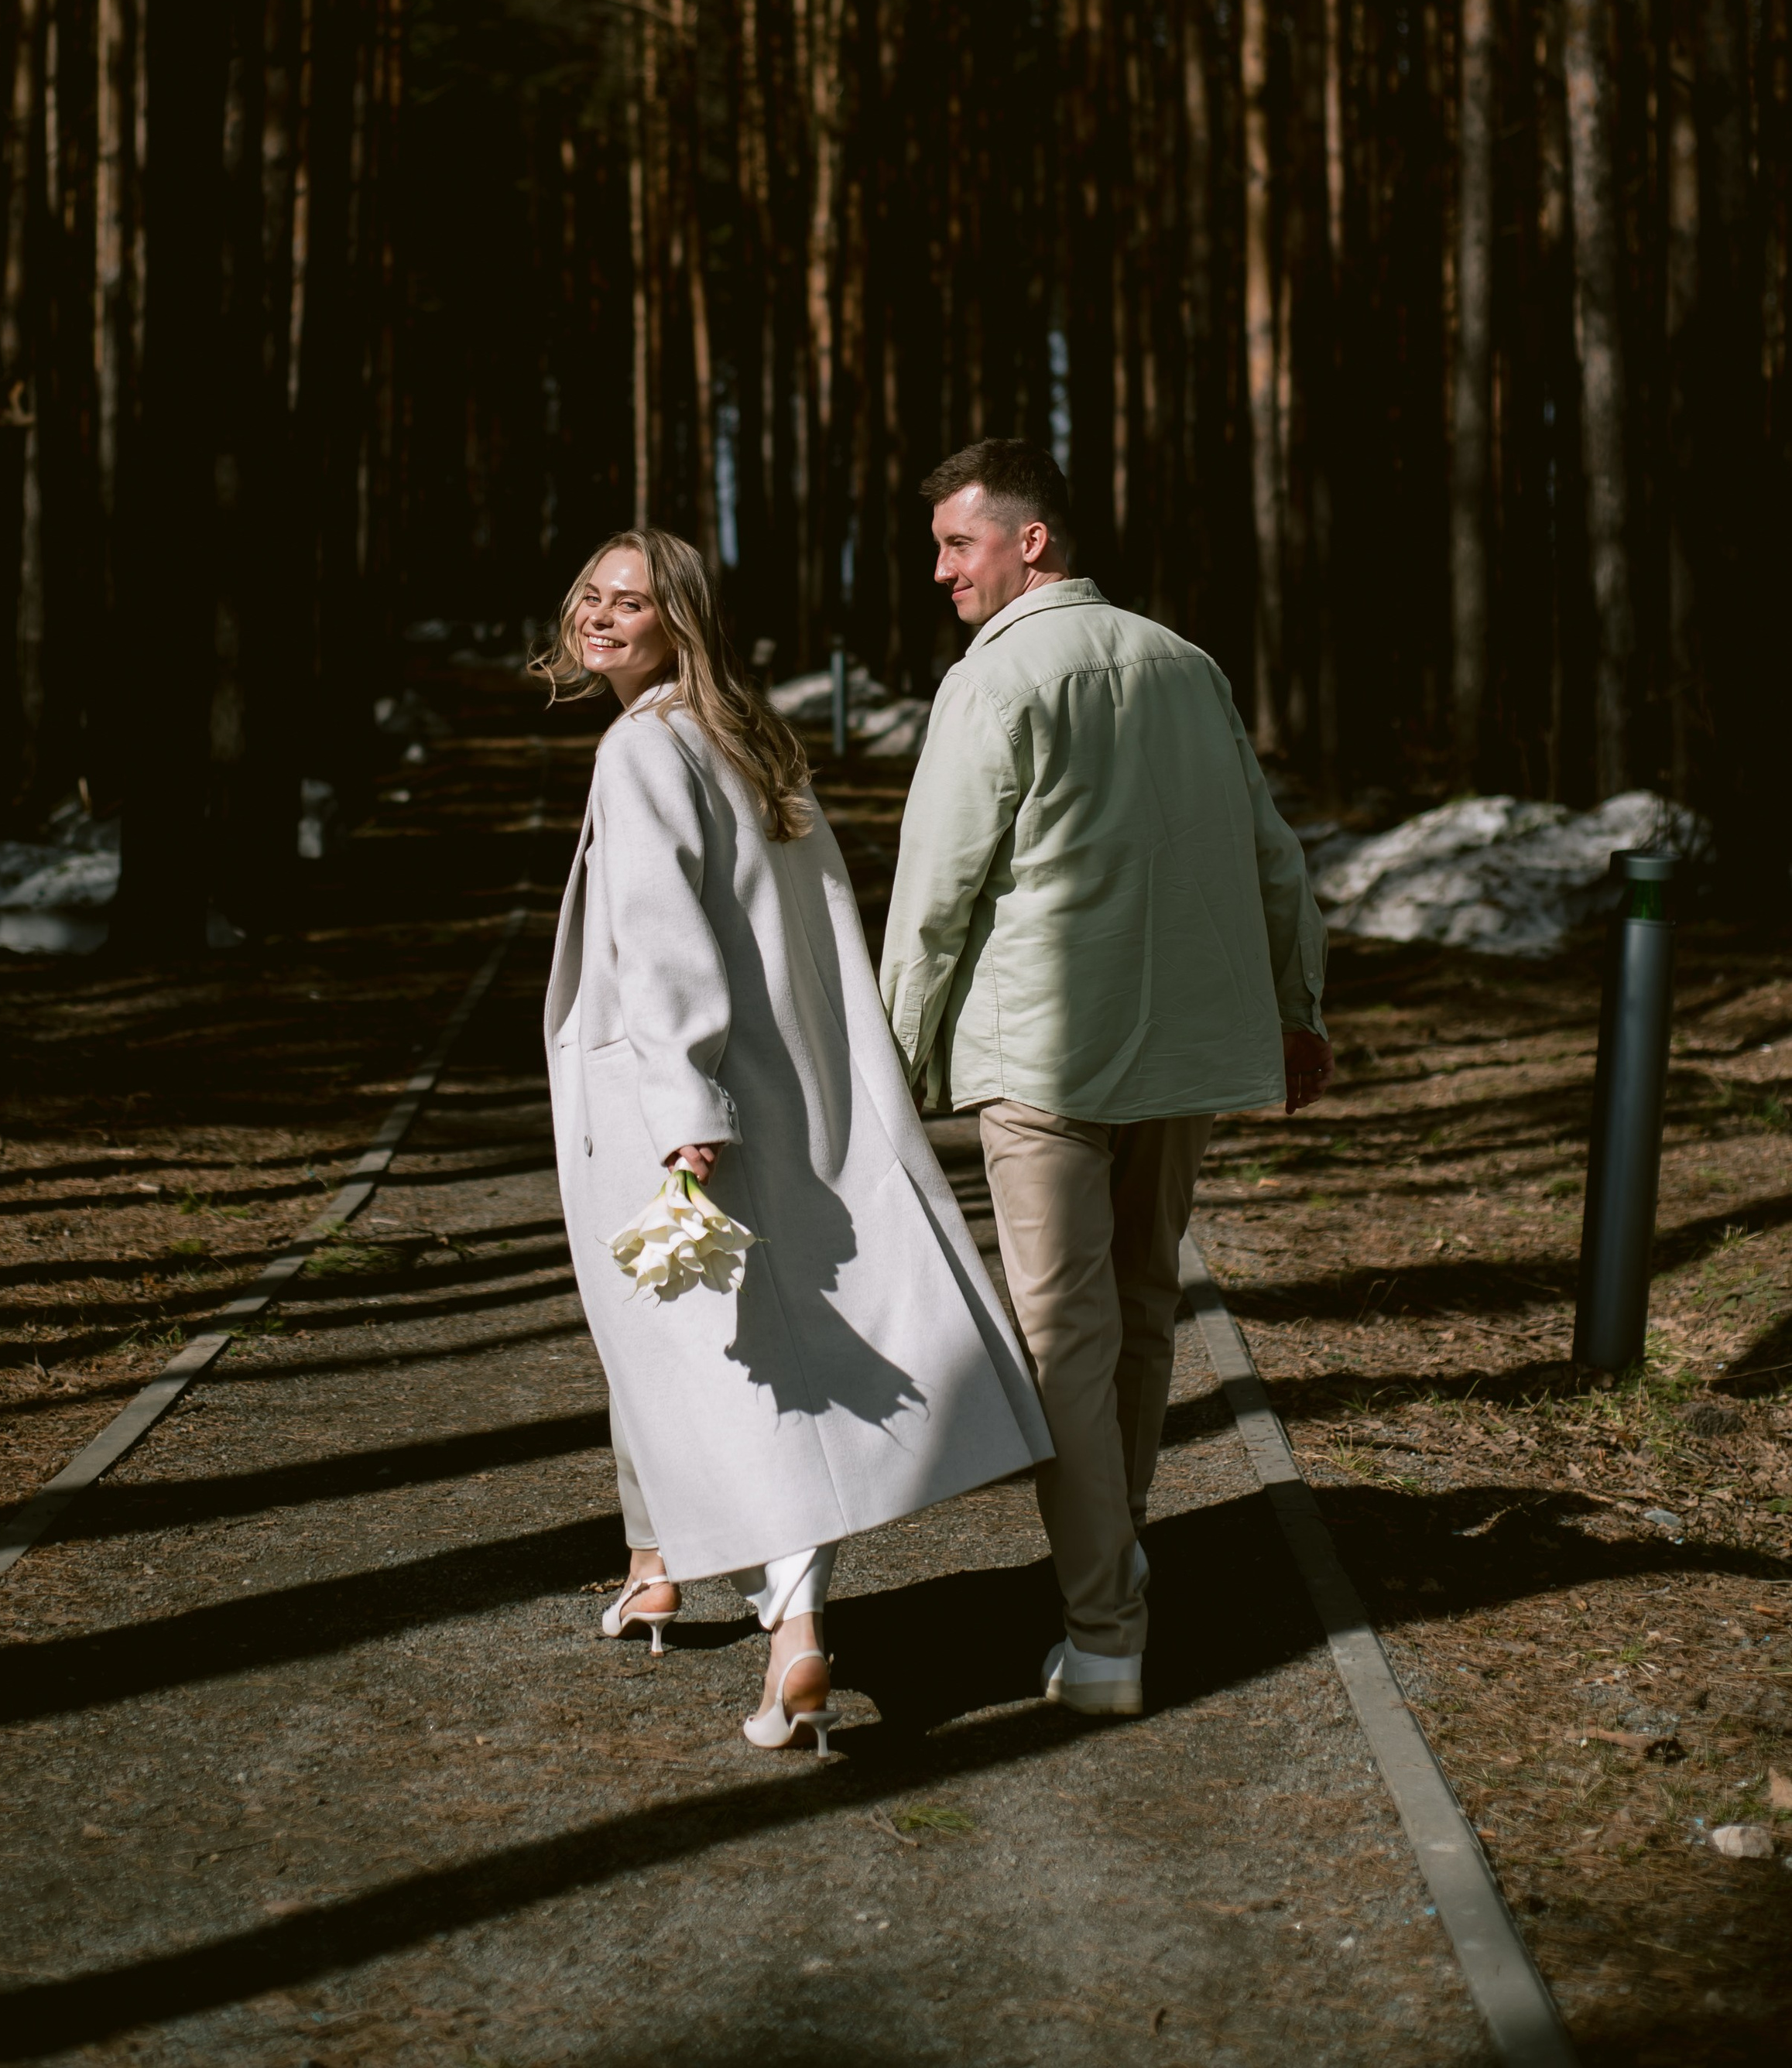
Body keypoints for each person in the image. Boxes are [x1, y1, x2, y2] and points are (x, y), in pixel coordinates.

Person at [536, 527, 1052, 1757]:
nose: (604, 618)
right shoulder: (750, 745)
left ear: (683, 627)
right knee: (721, 1350)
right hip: (787, 1089)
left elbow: (664, 952)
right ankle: (662, 1569)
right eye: (593, 597)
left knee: (731, 1370)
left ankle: (795, 1635)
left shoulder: (642, 750)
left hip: (686, 1106)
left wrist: (681, 1117)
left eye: (635, 604)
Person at [879, 441, 1332, 1718]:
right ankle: (1114, 1563)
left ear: (1033, 543)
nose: (940, 572)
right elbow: (1272, 857)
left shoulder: (994, 679)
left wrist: (896, 1063)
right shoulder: (1185, 665)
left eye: (959, 545)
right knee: (1137, 1316)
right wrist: (1298, 1011)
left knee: (1062, 1340)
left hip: (1044, 1061)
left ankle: (1105, 1629)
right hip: (1179, 1056)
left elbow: (934, 898)